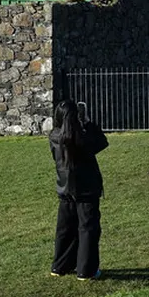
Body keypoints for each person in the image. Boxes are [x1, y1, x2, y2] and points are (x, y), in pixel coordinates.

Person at [49, 99, 109, 280]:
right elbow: (101, 142)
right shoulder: (81, 138)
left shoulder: (54, 136)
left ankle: (60, 265)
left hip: (65, 187)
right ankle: (86, 269)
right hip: (86, 189)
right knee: (87, 228)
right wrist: (88, 123)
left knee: (65, 228)